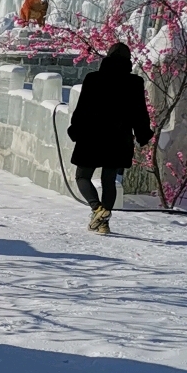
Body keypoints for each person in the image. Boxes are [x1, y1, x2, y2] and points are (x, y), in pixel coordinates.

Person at [67, 41, 151, 234]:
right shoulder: (135, 83)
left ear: (108, 57)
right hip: (119, 139)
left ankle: (98, 210)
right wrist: (143, 135)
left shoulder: (93, 79)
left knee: (82, 176)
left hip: (91, 137)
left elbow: (83, 109)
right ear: (128, 61)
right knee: (109, 180)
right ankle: (103, 224)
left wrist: (75, 129)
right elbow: (140, 113)